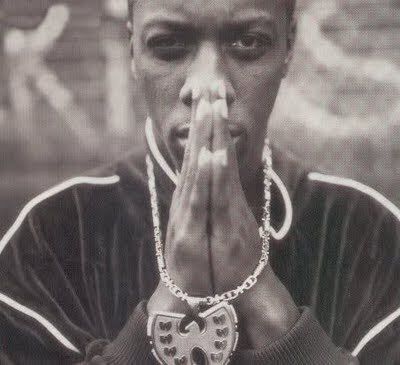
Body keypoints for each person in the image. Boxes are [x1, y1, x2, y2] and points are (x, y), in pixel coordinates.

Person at [0, 0, 399, 363]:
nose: (208, 86)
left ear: (288, 47)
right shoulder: (50, 237)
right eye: (169, 44)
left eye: (248, 42)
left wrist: (264, 302)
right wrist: (172, 302)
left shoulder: (370, 236)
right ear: (132, 51)